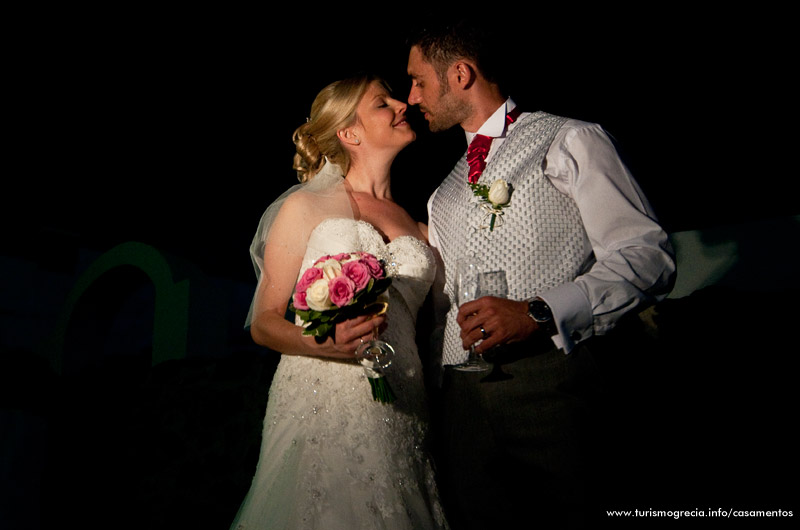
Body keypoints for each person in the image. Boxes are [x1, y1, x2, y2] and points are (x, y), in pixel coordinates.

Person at [406, 19, 676, 529]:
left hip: (554, 384)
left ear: (460, 74)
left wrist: (540, 311)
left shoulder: (570, 138)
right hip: (462, 407)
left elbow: (647, 256)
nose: (411, 95)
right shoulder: (443, 193)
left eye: (419, 80)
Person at [230, 74, 449, 529]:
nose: (400, 104)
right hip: (324, 391)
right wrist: (320, 342)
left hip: (404, 399)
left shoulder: (424, 223)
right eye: (381, 103)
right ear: (349, 134)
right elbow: (264, 322)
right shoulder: (306, 208)